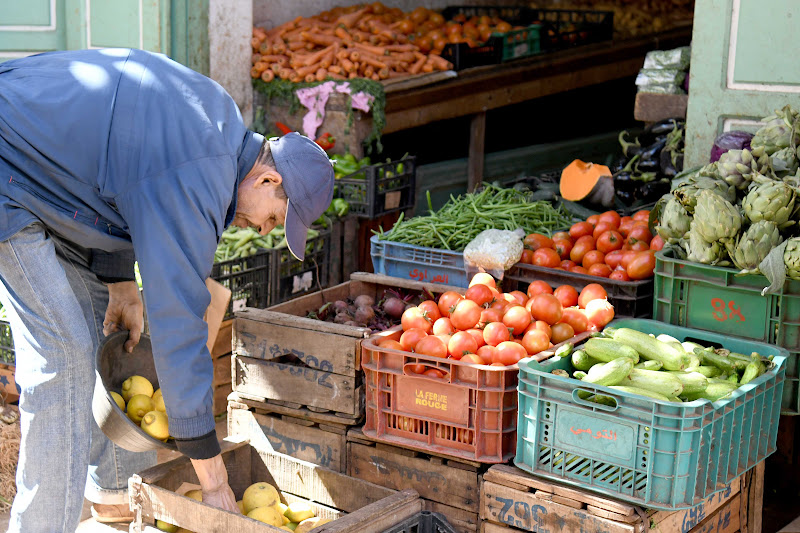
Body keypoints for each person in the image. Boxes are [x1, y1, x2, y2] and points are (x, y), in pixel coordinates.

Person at [0, 48, 334, 532]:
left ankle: (117, 500)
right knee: (67, 357)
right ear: (268, 178)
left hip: (48, 180)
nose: (264, 230)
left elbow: (120, 173)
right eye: (275, 218)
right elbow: (179, 327)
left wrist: (119, 281)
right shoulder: (200, 173)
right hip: (10, 168)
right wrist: (214, 482)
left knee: (103, 329)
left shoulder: (218, 129)